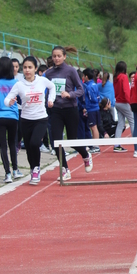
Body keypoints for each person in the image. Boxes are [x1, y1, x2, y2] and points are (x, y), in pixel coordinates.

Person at [5, 56, 56, 185]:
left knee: (34, 143)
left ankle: (37, 168)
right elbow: (7, 100)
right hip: (26, 120)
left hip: (40, 118)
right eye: (25, 68)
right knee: (28, 147)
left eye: (30, 67)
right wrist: (10, 102)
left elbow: (52, 87)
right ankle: (33, 168)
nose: (27, 70)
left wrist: (51, 100)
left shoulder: (42, 81)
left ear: (35, 68)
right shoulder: (19, 84)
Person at [45, 46, 93, 180]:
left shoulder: (71, 71)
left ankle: (85, 155)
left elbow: (81, 90)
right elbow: (48, 90)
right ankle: (65, 169)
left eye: (59, 56)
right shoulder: (49, 74)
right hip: (55, 111)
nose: (56, 58)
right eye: (54, 56)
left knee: (72, 140)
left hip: (70, 109)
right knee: (56, 142)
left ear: (65, 56)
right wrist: (48, 101)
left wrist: (70, 94)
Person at [0, 57, 23, 183]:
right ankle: (16, 170)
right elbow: (22, 100)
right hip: (13, 117)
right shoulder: (15, 82)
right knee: (12, 143)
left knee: (3, 146)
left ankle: (7, 174)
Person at [113, 61, 135, 152]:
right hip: (124, 102)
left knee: (121, 123)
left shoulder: (115, 78)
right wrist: (130, 102)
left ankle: (116, 144)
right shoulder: (124, 77)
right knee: (132, 121)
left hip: (117, 101)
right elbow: (126, 91)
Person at [81, 68, 102, 149]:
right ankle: (95, 145)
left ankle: (96, 146)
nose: (82, 77)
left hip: (91, 109)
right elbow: (98, 96)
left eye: (83, 76)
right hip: (96, 108)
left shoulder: (89, 87)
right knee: (94, 126)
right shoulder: (95, 84)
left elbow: (91, 98)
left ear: (86, 76)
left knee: (93, 127)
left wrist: (87, 106)